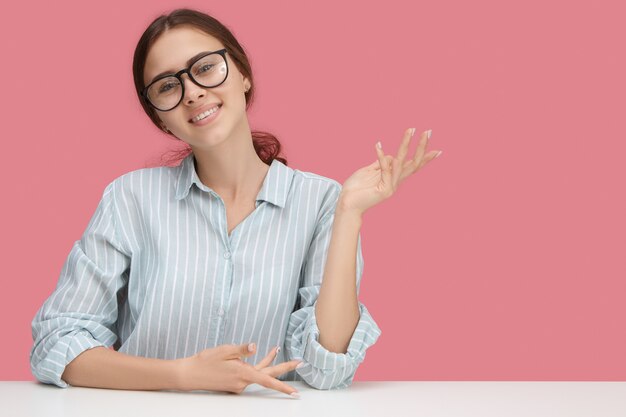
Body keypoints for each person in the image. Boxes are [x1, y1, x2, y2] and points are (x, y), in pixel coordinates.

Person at [29, 8, 442, 399]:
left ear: (242, 74)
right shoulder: (129, 200)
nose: (192, 92)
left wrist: (349, 213)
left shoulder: (321, 201)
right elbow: (57, 344)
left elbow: (328, 367)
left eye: (205, 67)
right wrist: (183, 375)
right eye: (168, 86)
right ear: (159, 117)